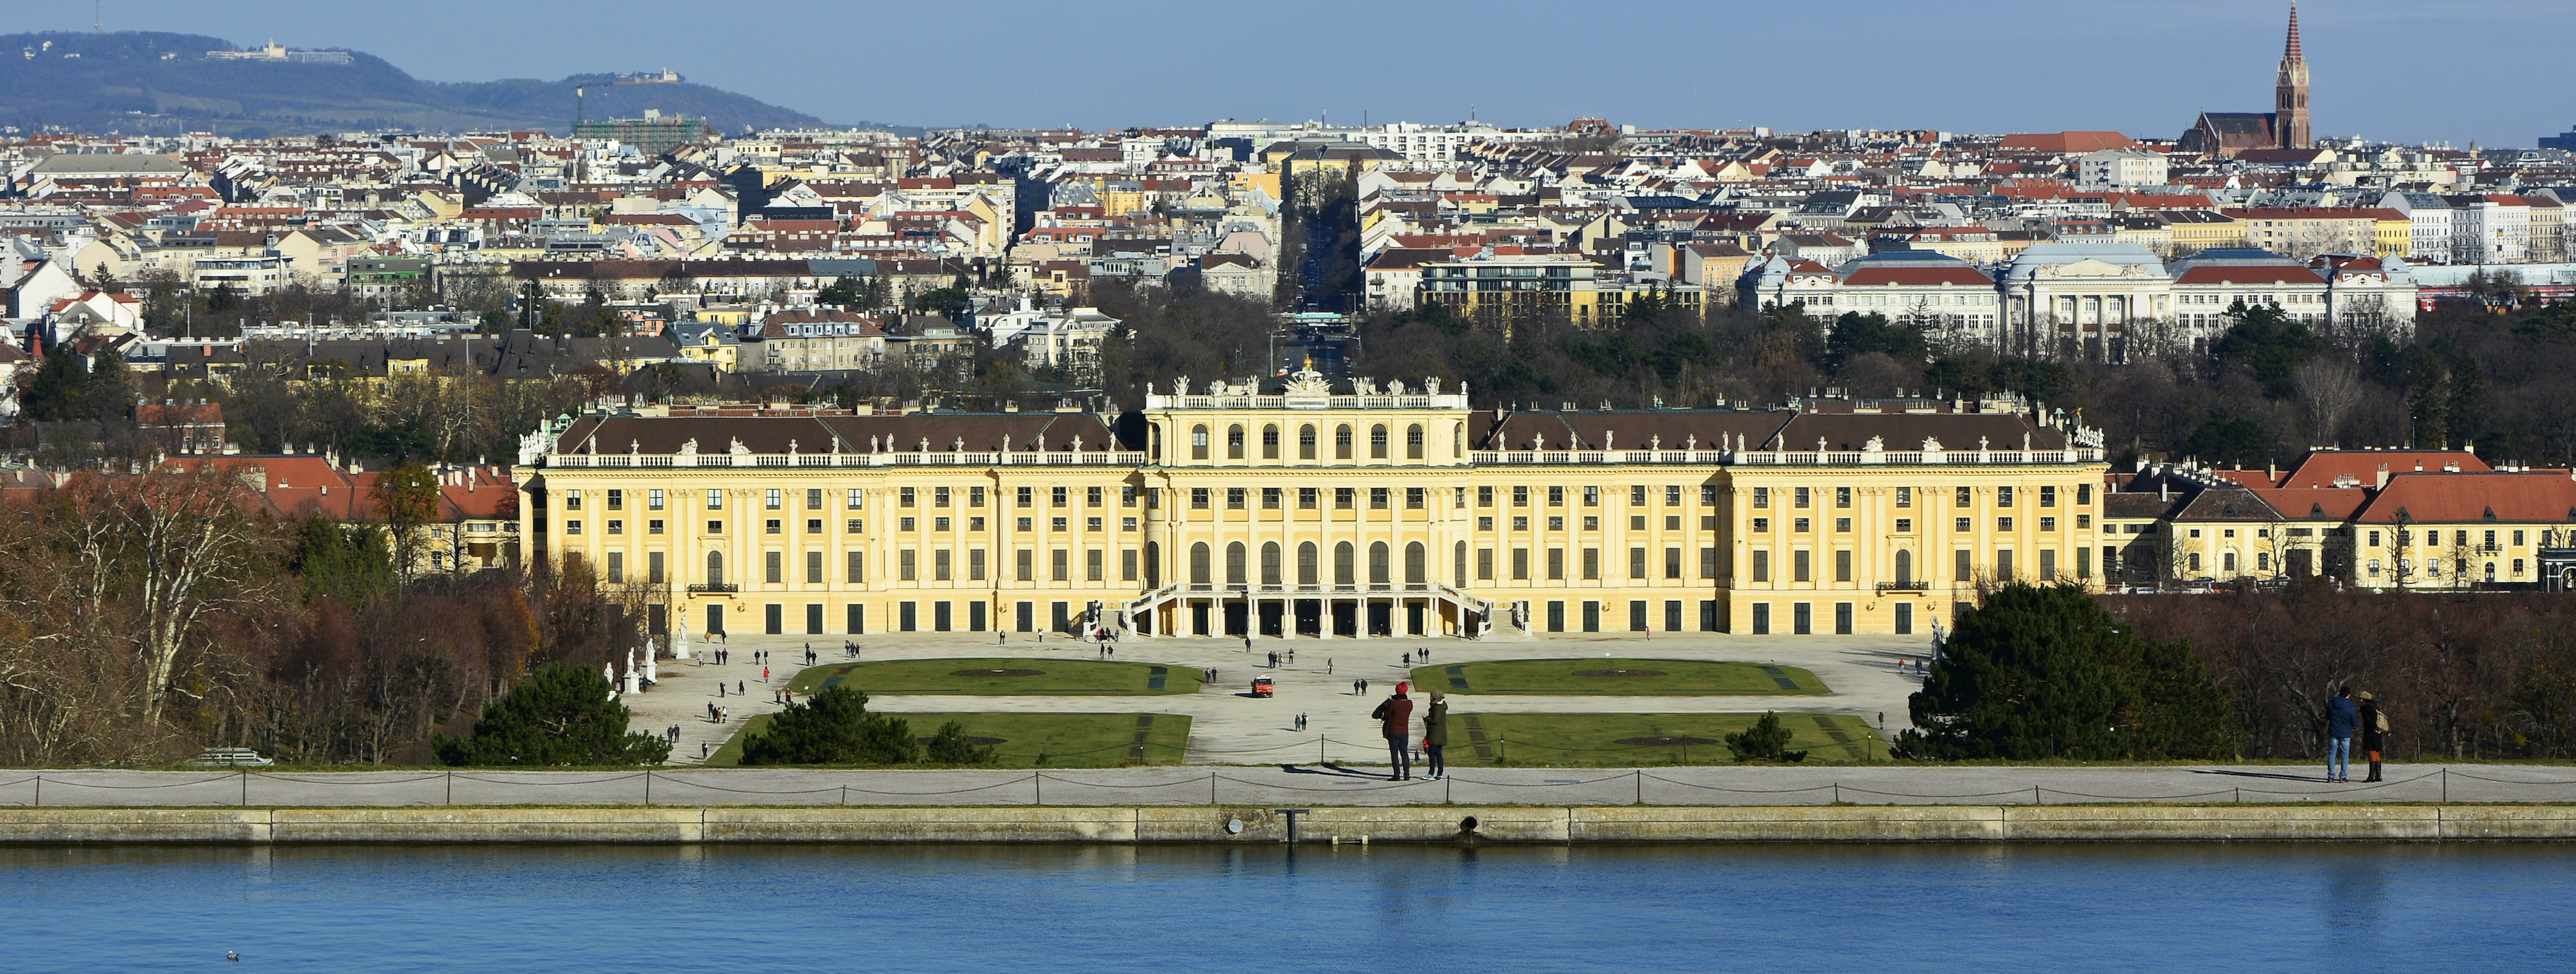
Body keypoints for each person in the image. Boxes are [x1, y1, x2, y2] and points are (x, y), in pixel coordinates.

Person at [1371, 685, 1417, 781]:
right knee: (1405, 753)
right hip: (1404, 732)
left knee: (1395, 754)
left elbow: (1386, 714)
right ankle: (1407, 775)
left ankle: (1397, 775)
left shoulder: (1394, 704)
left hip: (1394, 731)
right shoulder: (1410, 703)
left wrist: (1388, 701)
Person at [2326, 687, 2358, 783]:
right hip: (2345, 732)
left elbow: (2327, 716)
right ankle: (2343, 776)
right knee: (2345, 754)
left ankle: (2331, 775)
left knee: (2332, 753)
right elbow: (2354, 722)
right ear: (2349, 695)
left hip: (2333, 731)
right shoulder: (2350, 707)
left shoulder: (2332, 704)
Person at [2358, 691, 2387, 783]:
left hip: (2370, 733)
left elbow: (2369, 721)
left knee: (2371, 753)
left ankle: (2371, 776)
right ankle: (2378, 775)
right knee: (2377, 753)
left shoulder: (2366, 708)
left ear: (2364, 699)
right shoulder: (2375, 707)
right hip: (2378, 732)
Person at [1421, 689, 1450, 780]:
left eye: (1432, 696)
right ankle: (1440, 773)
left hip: (1435, 735)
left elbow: (1435, 720)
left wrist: (1426, 718)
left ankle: (1431, 774)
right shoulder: (1442, 706)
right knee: (1438, 754)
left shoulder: (1437, 707)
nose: (1430, 698)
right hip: (1440, 735)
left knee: (1432, 753)